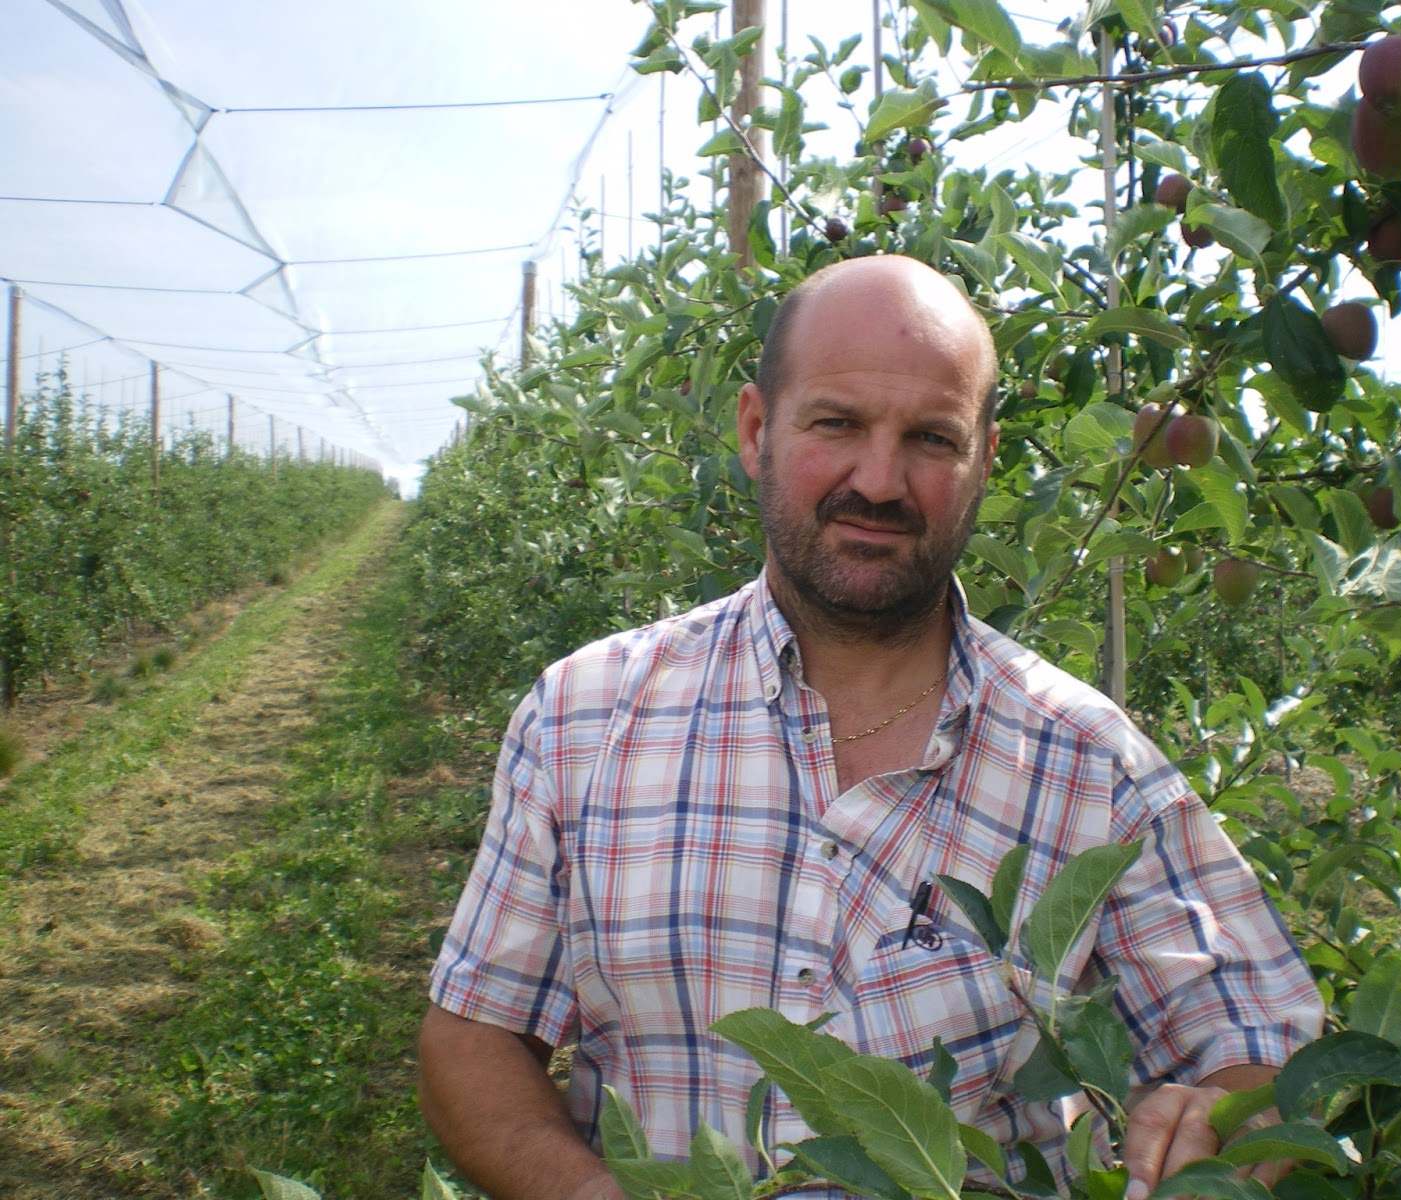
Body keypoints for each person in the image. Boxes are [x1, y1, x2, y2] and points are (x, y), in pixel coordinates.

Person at [417, 254, 1323, 1200]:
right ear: (756, 431)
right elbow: (475, 1029)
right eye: (837, 423)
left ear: (984, 461)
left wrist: (1224, 1120)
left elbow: (1254, 1040)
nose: (881, 481)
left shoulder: (1088, 760)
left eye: (932, 438)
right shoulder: (586, 716)